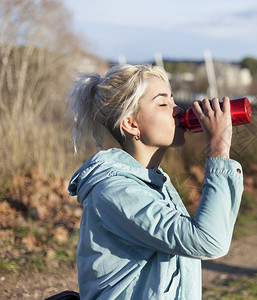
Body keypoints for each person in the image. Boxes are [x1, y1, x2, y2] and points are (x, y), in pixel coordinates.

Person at [66, 64, 243, 299]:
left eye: (173, 100)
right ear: (131, 124)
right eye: (163, 103)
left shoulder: (153, 181)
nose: (178, 110)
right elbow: (209, 241)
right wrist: (218, 147)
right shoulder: (115, 191)